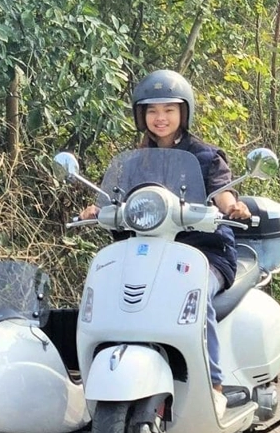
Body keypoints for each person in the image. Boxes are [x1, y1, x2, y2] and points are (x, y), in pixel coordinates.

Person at [78, 69, 250, 415]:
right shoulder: (134, 161)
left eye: (169, 110)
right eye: (153, 110)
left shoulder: (205, 156)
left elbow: (222, 192)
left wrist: (232, 206)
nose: (161, 118)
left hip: (203, 252)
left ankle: (214, 384)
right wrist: (97, 209)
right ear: (141, 116)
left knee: (196, 298)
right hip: (148, 252)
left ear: (183, 113)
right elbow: (116, 197)